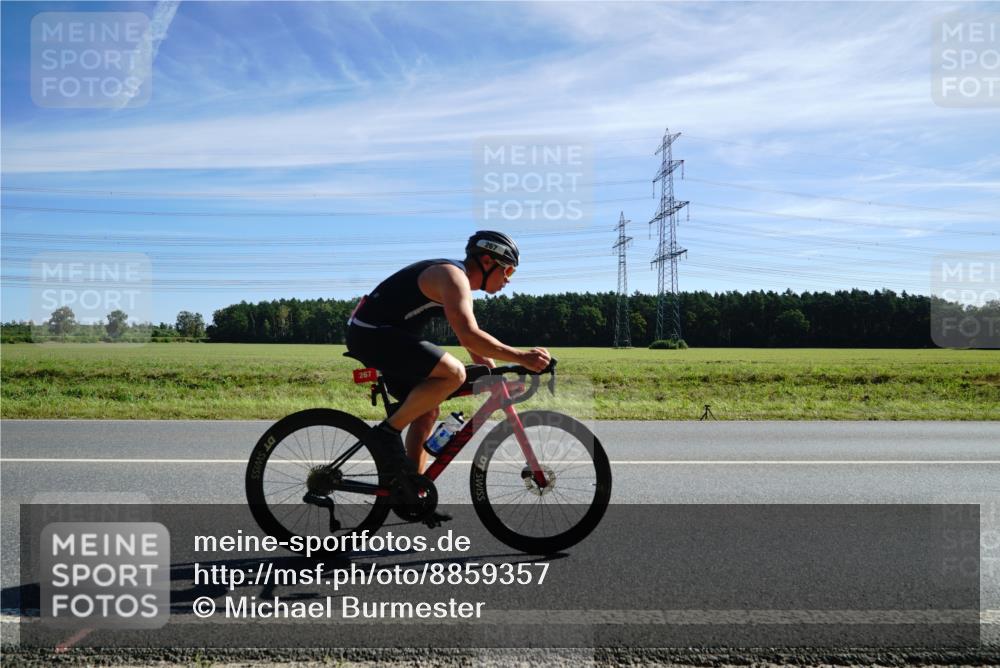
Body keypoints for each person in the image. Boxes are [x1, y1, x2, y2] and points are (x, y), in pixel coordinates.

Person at [345, 231, 551, 519]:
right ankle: (385, 434)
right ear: (488, 261)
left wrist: (496, 377)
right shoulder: (453, 277)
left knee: (427, 410)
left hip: (382, 335)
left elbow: (472, 342)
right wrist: (522, 358)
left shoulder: (458, 283)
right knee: (453, 374)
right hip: (371, 333)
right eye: (508, 269)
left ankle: (410, 494)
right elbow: (471, 335)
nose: (509, 279)